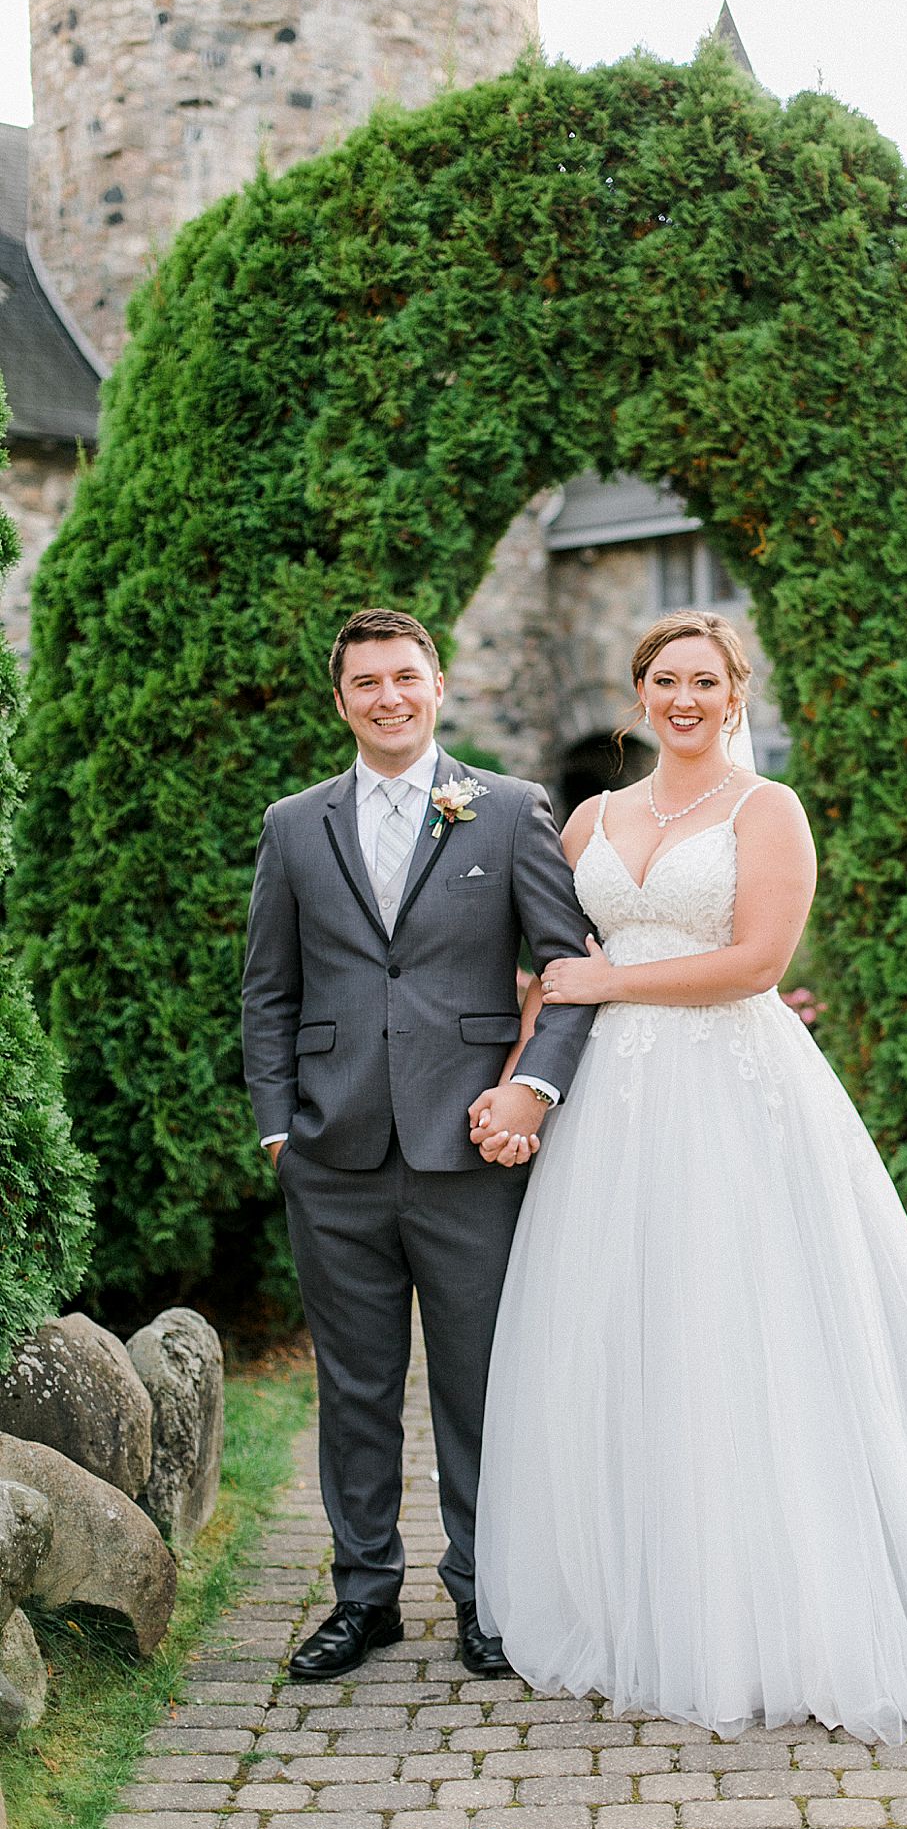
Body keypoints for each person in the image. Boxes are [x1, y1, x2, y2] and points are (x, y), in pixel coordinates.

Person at [472, 608, 907, 1742]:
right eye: (663, 679)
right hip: (608, 1110)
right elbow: (549, 970)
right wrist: (521, 1080)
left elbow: (755, 962)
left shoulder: (767, 812)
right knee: (627, 1327)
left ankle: (781, 1599)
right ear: (637, 696)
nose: (682, 698)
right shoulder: (590, 820)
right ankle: (636, 1588)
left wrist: (604, 986)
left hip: (734, 1094)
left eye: (703, 681)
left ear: (733, 693)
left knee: (749, 1325)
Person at [242, 608, 594, 1681]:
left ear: (437, 684)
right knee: (353, 1388)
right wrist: (276, 1130)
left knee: (478, 1386)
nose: (387, 698)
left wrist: (531, 1090)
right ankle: (362, 1599)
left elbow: (569, 969)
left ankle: (487, 1598)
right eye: (365, 684)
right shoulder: (294, 826)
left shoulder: (506, 810)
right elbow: (267, 990)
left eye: (405, 677)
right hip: (331, 1156)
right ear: (339, 699)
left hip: (470, 1153)